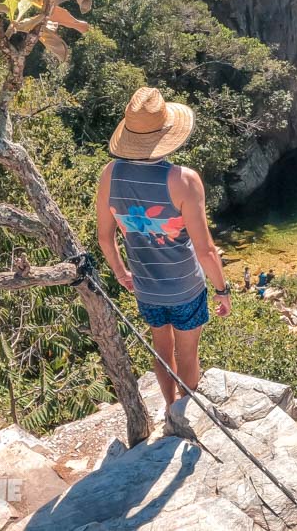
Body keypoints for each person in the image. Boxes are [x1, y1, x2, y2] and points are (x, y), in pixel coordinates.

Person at [96, 87, 231, 412]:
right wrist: (222, 289)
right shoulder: (183, 181)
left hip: (146, 288)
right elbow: (206, 251)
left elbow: (104, 236)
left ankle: (170, 405)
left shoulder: (110, 175)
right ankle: (183, 413)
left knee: (161, 348)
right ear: (166, 134)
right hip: (186, 288)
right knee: (188, 354)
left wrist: (121, 273)